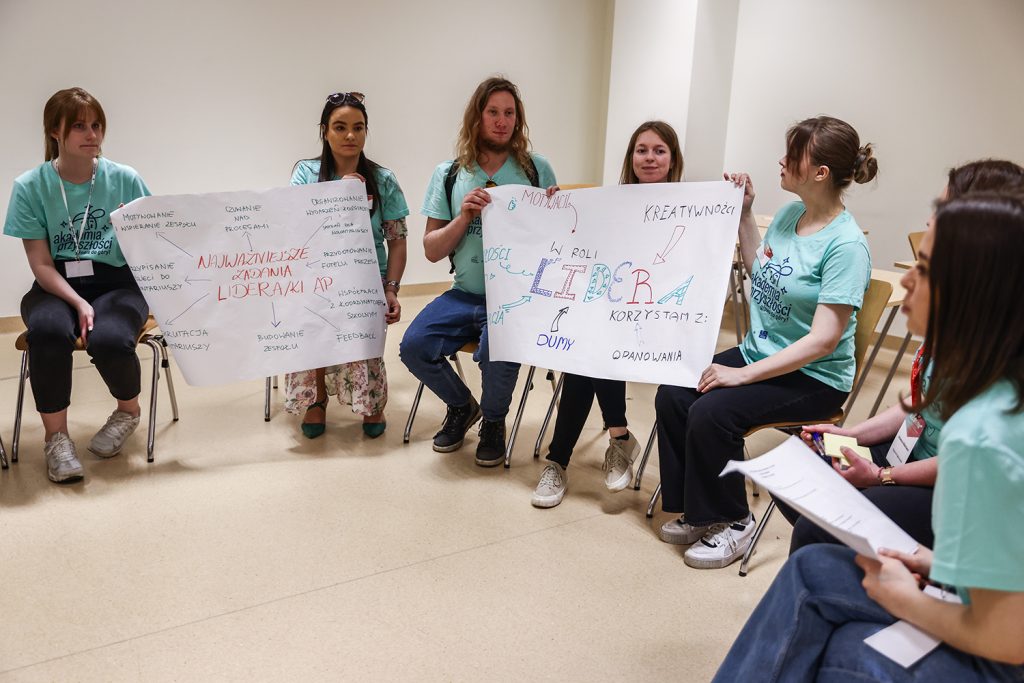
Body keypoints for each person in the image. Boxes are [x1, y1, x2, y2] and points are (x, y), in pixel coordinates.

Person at [713, 192, 1024, 682]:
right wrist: (930, 562)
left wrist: (906, 598)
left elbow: (1008, 638)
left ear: (973, 294)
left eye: (924, 268)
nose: (906, 280)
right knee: (813, 569)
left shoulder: (985, 436)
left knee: (843, 649)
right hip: (976, 590)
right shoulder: (992, 387)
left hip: (1000, 651)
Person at [655, 116, 877, 569]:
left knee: (713, 412)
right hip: (764, 354)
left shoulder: (847, 246)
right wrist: (744, 215)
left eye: (792, 155)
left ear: (820, 172)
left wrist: (741, 375)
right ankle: (701, 511)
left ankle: (736, 521)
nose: (781, 160)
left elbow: (823, 341)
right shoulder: (793, 215)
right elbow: (764, 275)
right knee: (674, 393)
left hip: (814, 377)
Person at [788, 158, 1024, 552]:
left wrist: (881, 476)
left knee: (820, 527)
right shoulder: (958, 319)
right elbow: (920, 402)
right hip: (913, 451)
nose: (929, 221)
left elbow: (966, 464)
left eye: (942, 211)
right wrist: (850, 435)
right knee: (805, 469)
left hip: (956, 491)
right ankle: (857, 558)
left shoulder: (1003, 353)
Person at [399, 77, 556, 466]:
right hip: (463, 293)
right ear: (477, 118)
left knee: (495, 350)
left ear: (517, 120)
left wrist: (557, 215)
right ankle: (462, 406)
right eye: (493, 112)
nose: (502, 122)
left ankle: (494, 422)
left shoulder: (536, 170)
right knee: (413, 346)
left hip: (515, 298)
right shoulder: (450, 174)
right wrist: (463, 216)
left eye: (509, 113)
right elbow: (432, 250)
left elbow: (557, 244)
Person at [3, 87, 151, 483]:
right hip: (56, 283)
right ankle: (56, 439)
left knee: (110, 337)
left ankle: (128, 412)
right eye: (80, 127)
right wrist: (80, 303)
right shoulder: (31, 186)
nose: (93, 135)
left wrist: (136, 231)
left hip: (117, 282)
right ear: (55, 131)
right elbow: (40, 264)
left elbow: (153, 243)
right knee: (48, 331)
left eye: (97, 125)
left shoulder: (125, 179)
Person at [532, 121, 683, 507]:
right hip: (613, 315)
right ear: (631, 157)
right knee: (591, 345)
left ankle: (561, 459)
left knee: (592, 345)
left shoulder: (692, 207)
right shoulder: (612, 201)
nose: (649, 158)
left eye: (659, 150)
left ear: (673, 159)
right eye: (641, 150)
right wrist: (559, 208)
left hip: (662, 322)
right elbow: (580, 242)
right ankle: (617, 438)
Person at [283, 92, 408, 439]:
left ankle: (371, 404)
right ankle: (316, 400)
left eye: (358, 127)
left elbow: (397, 240)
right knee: (313, 334)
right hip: (316, 276)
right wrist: (340, 194)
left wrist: (391, 289)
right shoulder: (306, 174)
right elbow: (295, 228)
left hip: (367, 280)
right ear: (324, 131)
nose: (350, 135)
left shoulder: (383, 179)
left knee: (363, 342)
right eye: (340, 127)